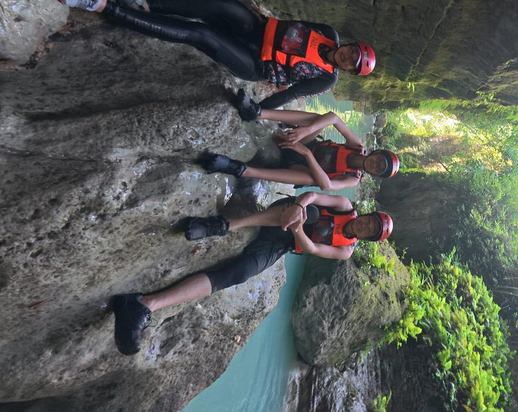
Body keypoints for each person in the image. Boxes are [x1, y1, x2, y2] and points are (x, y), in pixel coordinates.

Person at [112, 192, 393, 355]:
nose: (364, 226)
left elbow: (311, 248)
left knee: (238, 274)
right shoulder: (345, 207)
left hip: (283, 241)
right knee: (314, 212)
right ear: (366, 215)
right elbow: (313, 196)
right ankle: (221, 226)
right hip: (284, 211)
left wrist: (296, 229)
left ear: (366, 238)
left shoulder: (346, 251)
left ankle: (145, 304)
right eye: (368, 221)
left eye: (369, 230)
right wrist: (298, 207)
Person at [56, 0, 376, 109]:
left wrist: (260, 110)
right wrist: (260, 15)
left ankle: (99, 5)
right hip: (258, 29)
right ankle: (143, 4)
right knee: (222, 5)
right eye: (354, 51)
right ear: (350, 44)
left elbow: (289, 95)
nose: (349, 56)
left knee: (200, 33)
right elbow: (296, 26)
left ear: (348, 70)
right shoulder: (330, 34)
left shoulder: (325, 80)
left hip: (256, 63)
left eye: (353, 62)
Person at [201, 103, 399, 190]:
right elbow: (333, 117)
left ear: (374, 174)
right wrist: (306, 131)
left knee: (313, 179)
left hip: (299, 167)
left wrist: (305, 153)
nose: (375, 165)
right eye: (379, 161)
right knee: (318, 119)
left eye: (379, 169)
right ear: (377, 153)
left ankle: (241, 170)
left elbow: (326, 185)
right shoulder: (357, 145)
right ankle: (258, 112)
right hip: (302, 142)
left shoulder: (352, 179)